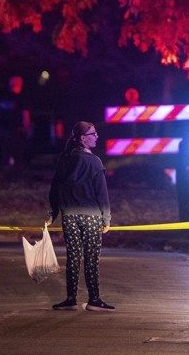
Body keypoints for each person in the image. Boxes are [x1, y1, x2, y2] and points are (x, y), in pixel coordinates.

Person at [48, 121, 114, 312]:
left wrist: (53, 213)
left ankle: (70, 299)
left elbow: (54, 189)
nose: (97, 136)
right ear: (83, 138)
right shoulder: (94, 162)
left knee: (73, 257)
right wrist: (106, 218)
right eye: (93, 134)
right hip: (91, 216)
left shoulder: (65, 160)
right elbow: (102, 193)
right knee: (91, 257)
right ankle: (94, 299)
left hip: (69, 215)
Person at [0, 75, 31, 168]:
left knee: (5, 154)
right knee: (18, 155)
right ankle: (17, 175)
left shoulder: (3, 99)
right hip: (18, 131)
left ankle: (6, 174)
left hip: (4, 131)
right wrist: (27, 129)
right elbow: (25, 115)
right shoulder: (22, 99)